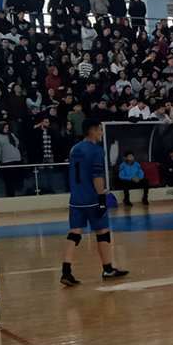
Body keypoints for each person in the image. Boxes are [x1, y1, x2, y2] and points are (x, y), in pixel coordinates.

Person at [61, 120, 128, 286]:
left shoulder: (74, 149)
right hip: (91, 198)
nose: (102, 133)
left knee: (74, 233)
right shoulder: (97, 151)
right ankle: (108, 268)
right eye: (100, 130)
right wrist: (101, 198)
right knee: (102, 232)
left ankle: (66, 271)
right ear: (93, 131)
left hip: (76, 199)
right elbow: (97, 175)